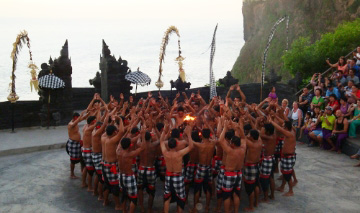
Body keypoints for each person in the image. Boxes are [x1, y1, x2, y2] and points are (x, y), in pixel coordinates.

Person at [160, 122, 194, 213]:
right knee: (180, 198)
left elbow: (161, 142)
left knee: (167, 196)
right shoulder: (179, 153)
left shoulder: (165, 152)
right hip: (178, 177)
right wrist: (189, 134)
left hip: (168, 176)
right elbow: (191, 146)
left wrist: (165, 130)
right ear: (176, 145)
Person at [218, 119, 246, 213]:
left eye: (231, 143)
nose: (229, 143)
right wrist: (238, 128)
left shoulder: (230, 151)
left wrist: (225, 127)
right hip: (239, 173)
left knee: (226, 195)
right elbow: (243, 137)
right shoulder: (243, 149)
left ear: (233, 144)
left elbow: (220, 140)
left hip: (229, 174)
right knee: (236, 194)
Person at [117, 132, 146, 213]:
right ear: (130, 145)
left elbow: (120, 141)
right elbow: (143, 147)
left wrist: (126, 132)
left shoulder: (118, 151)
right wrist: (143, 136)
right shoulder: (130, 154)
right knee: (133, 198)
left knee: (124, 194)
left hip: (121, 176)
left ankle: (124, 211)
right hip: (129, 176)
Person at [192, 128, 216, 213]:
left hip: (201, 168)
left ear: (201, 135)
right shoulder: (213, 144)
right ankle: (207, 207)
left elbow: (190, 141)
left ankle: (195, 208)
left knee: (197, 189)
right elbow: (214, 136)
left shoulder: (200, 145)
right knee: (208, 189)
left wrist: (188, 133)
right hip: (209, 167)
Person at [269, 119, 296, 196]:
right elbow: (282, 122)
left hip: (288, 157)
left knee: (287, 175)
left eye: (284, 126)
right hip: (286, 156)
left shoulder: (289, 133)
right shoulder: (292, 131)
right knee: (285, 173)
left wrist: (271, 121)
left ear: (286, 128)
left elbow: (279, 129)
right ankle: (282, 187)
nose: (282, 127)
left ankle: (291, 191)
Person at [101, 122, 124, 210]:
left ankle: (105, 201)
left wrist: (111, 124)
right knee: (115, 186)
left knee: (106, 184)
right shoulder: (112, 140)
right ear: (114, 132)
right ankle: (117, 205)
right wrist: (119, 120)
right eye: (115, 131)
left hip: (104, 164)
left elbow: (107, 130)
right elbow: (121, 131)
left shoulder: (103, 138)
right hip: (111, 167)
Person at [137, 130, 160, 213]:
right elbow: (161, 139)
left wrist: (141, 135)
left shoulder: (140, 144)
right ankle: (149, 209)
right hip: (150, 169)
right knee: (151, 191)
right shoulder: (154, 144)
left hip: (141, 169)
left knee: (140, 188)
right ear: (150, 137)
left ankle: (142, 207)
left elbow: (138, 139)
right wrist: (155, 129)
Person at [243, 129, 262, 212]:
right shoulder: (259, 142)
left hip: (250, 167)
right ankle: (256, 202)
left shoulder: (251, 144)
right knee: (255, 185)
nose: (248, 136)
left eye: (249, 134)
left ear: (252, 137)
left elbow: (242, 136)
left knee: (250, 188)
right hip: (256, 165)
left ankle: (251, 206)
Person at [66, 110, 87, 179]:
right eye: (77, 117)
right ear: (75, 117)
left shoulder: (76, 122)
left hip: (78, 142)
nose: (78, 119)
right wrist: (81, 116)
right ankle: (72, 174)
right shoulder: (70, 124)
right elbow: (74, 123)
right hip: (73, 143)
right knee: (73, 160)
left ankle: (82, 170)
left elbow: (83, 118)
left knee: (81, 157)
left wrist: (89, 112)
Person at [259, 123, 277, 202]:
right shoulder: (274, 135)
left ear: (268, 131)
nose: (264, 131)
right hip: (271, 158)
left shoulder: (268, 137)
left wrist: (256, 122)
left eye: (265, 130)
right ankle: (272, 195)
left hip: (267, 159)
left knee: (265, 179)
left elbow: (259, 134)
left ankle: (266, 198)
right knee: (270, 178)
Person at [81, 116, 97, 191]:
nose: (95, 121)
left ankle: (84, 183)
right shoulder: (89, 128)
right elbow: (99, 123)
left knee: (86, 168)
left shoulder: (85, 126)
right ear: (92, 122)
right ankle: (89, 187)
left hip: (84, 150)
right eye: (94, 120)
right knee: (90, 171)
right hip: (87, 150)